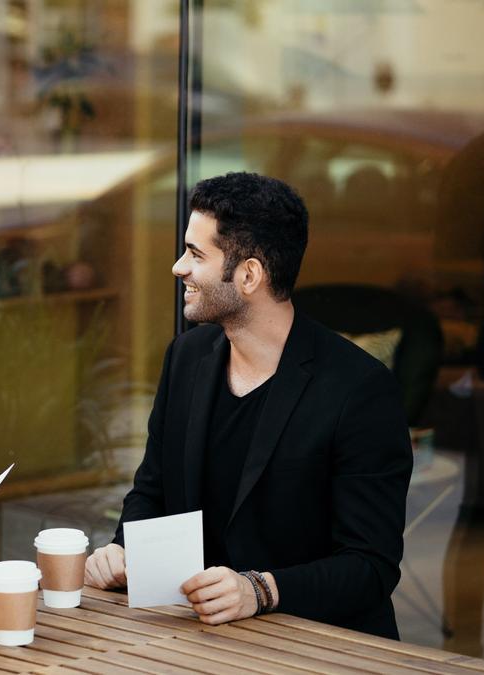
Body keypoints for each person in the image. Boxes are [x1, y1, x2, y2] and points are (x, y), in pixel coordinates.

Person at [83, 172, 413, 639]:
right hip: (200, 638)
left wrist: (261, 590)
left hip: (319, 649)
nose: (179, 267)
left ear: (250, 274)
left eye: (196, 254)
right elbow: (152, 489)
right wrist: (122, 550)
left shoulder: (359, 389)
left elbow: (370, 566)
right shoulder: (187, 358)